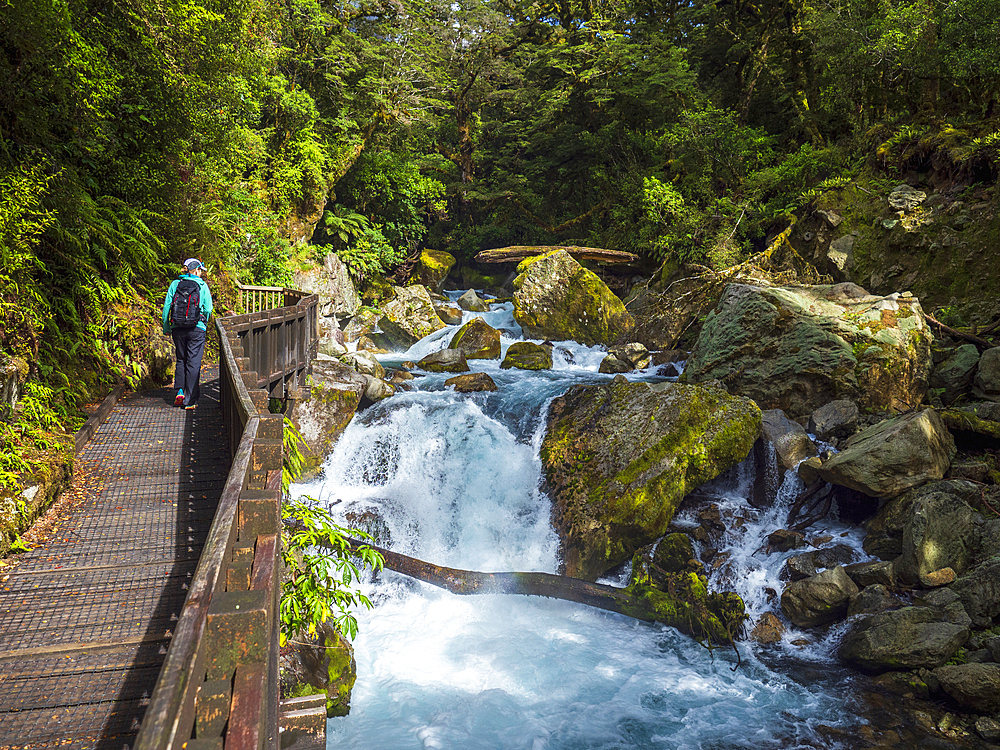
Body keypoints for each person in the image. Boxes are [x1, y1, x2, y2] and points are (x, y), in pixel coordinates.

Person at [162, 258, 213, 410]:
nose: (201, 274)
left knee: (181, 359)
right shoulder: (202, 286)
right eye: (200, 271)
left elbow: (167, 307)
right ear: (197, 270)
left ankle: (179, 392)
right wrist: (203, 322)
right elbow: (208, 309)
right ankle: (190, 400)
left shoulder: (175, 284)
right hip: (196, 328)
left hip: (177, 327)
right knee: (193, 362)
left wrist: (167, 326)